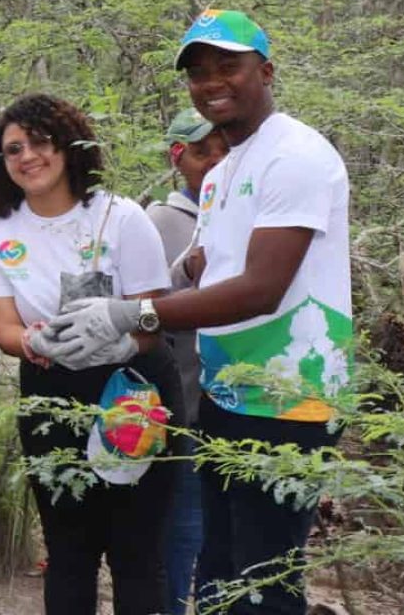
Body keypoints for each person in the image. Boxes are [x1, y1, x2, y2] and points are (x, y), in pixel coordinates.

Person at [48, 10, 351, 615]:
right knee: (218, 569)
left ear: (265, 71)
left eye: (228, 66)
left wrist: (132, 315)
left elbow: (261, 288)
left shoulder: (296, 154)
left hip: (288, 397)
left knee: (263, 581)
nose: (211, 80)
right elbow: (207, 269)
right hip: (223, 392)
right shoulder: (221, 172)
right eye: (197, 71)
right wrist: (118, 306)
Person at [0, 94, 177, 615]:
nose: (26, 157)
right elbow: (3, 326)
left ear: (68, 145)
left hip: (133, 387)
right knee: (68, 547)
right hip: (51, 390)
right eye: (12, 149)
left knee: (136, 547)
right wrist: (32, 343)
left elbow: (157, 314)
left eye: (39, 142)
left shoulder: (120, 216)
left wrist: (126, 338)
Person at [146, 108, 228, 615]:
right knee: (184, 538)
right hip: (184, 414)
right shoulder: (162, 223)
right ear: (179, 158)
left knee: (222, 542)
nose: (216, 162)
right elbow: (145, 314)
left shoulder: (242, 218)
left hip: (238, 409)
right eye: (202, 152)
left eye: (224, 150)